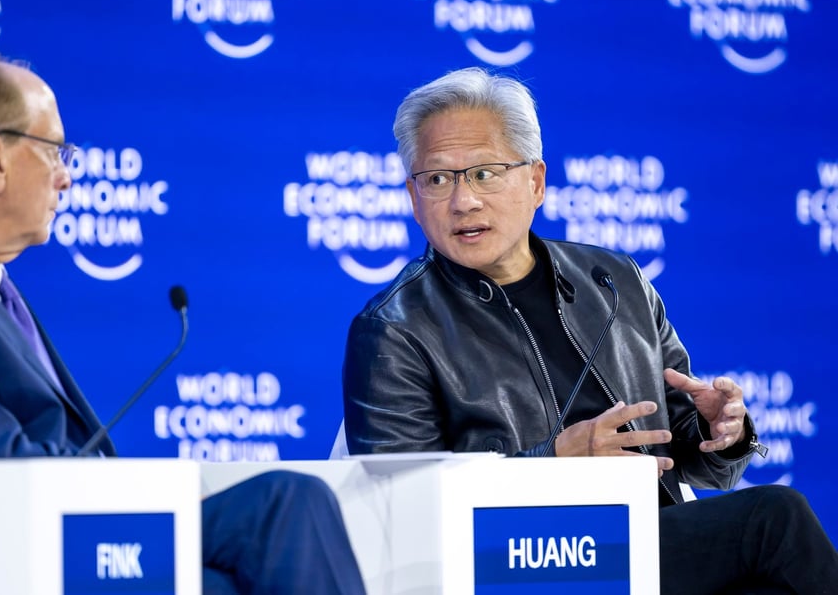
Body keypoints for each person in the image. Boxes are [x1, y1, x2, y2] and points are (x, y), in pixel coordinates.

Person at [0, 51, 366, 595]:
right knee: (281, 511)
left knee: (284, 513)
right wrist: (154, 495)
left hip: (46, 538)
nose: (67, 178)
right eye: (55, 151)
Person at [342, 66, 838, 594]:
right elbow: (403, 509)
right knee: (773, 517)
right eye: (438, 178)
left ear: (535, 182)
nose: (463, 200)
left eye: (484, 172)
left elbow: (692, 460)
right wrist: (552, 463)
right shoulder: (394, 329)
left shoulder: (614, 281)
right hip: (520, 557)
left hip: (644, 540)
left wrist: (722, 434)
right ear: (413, 196)